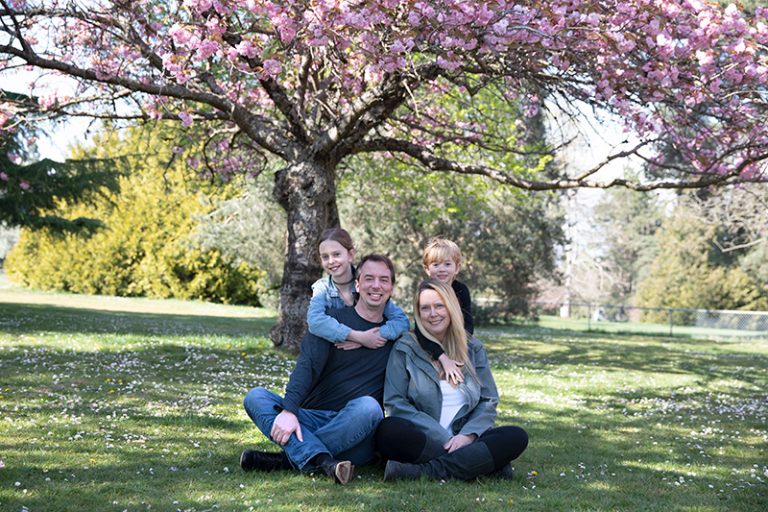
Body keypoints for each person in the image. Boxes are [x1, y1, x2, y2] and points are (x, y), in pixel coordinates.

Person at [241, 255, 399, 485]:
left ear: (391, 287)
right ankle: (324, 461)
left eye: (384, 280)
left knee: (369, 408)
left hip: (358, 434)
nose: (376, 285)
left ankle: (287, 459)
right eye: (369, 278)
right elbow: (307, 366)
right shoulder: (331, 323)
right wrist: (290, 411)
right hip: (311, 419)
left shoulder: (396, 335)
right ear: (357, 284)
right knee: (255, 396)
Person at [376, 279, 528, 481]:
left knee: (516, 436)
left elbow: (488, 400)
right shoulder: (405, 347)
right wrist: (443, 438)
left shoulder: (472, 348)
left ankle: (423, 472)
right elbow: (395, 403)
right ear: (418, 313)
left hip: (466, 439)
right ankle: (481, 466)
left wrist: (468, 436)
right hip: (425, 440)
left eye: (439, 306)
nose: (433, 314)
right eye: (425, 308)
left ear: (451, 307)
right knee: (389, 431)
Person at [308, 227, 409, 350]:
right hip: (335, 349)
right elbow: (314, 321)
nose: (331, 261)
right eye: (325, 257)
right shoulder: (322, 288)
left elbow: (402, 322)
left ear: (351, 255)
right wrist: (358, 337)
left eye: (336, 254)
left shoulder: (367, 284)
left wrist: (374, 336)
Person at [419, 237, 474, 385]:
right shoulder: (424, 293)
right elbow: (420, 331)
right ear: (427, 269)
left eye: (447, 264)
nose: (442, 269)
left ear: (456, 268)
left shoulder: (461, 290)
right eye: (436, 264)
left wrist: (457, 347)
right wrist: (442, 356)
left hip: (457, 341)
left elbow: (468, 325)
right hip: (431, 344)